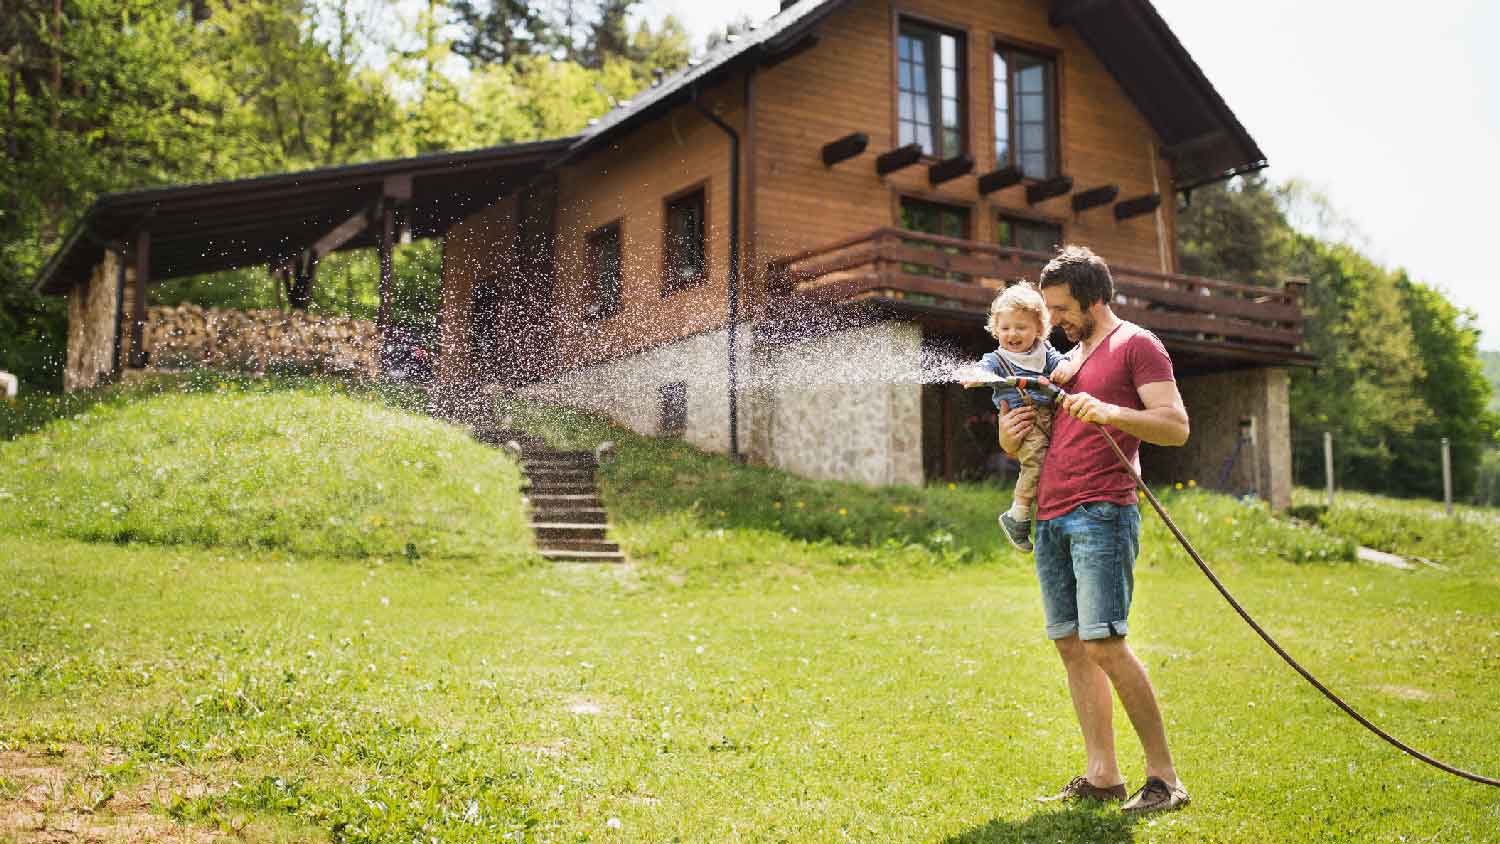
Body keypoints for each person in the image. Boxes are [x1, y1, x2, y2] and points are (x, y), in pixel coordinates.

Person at [997, 245, 1191, 815]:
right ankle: (1103, 774)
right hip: (1051, 515)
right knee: (1071, 645)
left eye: (1060, 308)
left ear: (1095, 297)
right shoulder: (1064, 362)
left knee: (1105, 642)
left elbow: (1175, 427)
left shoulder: (1136, 345)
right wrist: (1011, 436)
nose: (1050, 321)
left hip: (1101, 511)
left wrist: (1111, 413)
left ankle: (1165, 779)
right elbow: (1024, 446)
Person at [959, 283, 1078, 551]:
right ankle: (1018, 514)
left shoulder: (1044, 351)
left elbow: (1061, 362)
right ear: (996, 329)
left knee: (1054, 460)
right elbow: (981, 369)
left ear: (1039, 328)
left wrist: (1064, 368)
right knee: (1035, 463)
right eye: (1005, 328)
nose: (1012, 334)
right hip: (1022, 420)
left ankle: (1049, 516)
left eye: (1021, 327)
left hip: (1050, 414)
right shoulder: (996, 360)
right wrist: (975, 375)